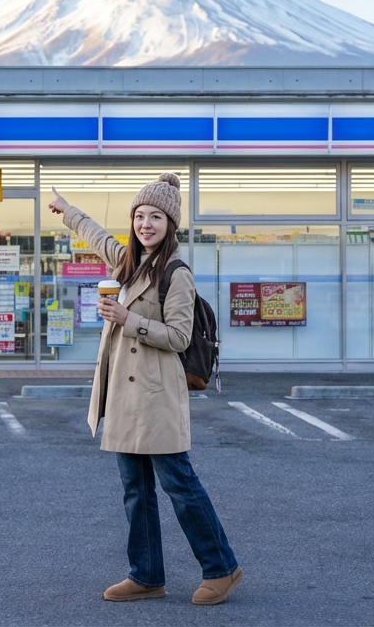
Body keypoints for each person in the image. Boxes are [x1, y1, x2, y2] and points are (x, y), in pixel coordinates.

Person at [48, 172, 242, 606]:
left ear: (170, 224)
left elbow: (177, 336)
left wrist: (126, 318)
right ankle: (146, 574)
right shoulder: (127, 263)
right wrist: (68, 211)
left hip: (156, 395)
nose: (146, 224)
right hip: (123, 396)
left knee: (180, 486)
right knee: (135, 491)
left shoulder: (177, 273)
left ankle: (222, 568)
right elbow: (97, 236)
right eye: (139, 215)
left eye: (156, 216)